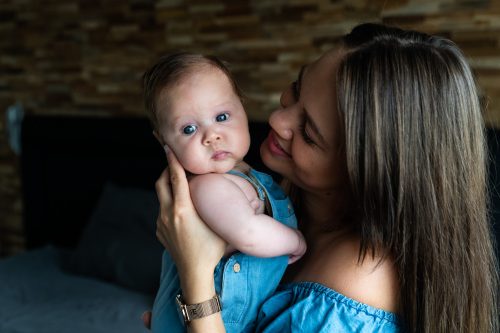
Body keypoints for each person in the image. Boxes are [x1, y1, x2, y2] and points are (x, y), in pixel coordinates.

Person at [148, 23, 499, 332]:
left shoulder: (352, 287)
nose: (277, 120)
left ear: (363, 172)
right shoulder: (287, 195)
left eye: (309, 132)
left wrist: (195, 278)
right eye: (296, 89)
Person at [142, 52, 307, 333]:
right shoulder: (208, 186)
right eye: (189, 128)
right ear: (163, 140)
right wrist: (296, 242)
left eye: (221, 116)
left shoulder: (248, 176)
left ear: (242, 108)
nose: (211, 136)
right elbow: (249, 234)